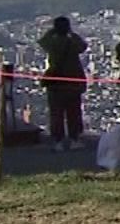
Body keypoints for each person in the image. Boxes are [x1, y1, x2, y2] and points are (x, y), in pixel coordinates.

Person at [37, 15, 89, 151]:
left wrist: (52, 31)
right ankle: (74, 138)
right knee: (74, 112)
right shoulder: (72, 43)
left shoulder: (52, 44)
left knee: (56, 113)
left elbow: (42, 41)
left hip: (55, 82)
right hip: (72, 82)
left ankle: (58, 140)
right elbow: (83, 46)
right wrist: (71, 33)